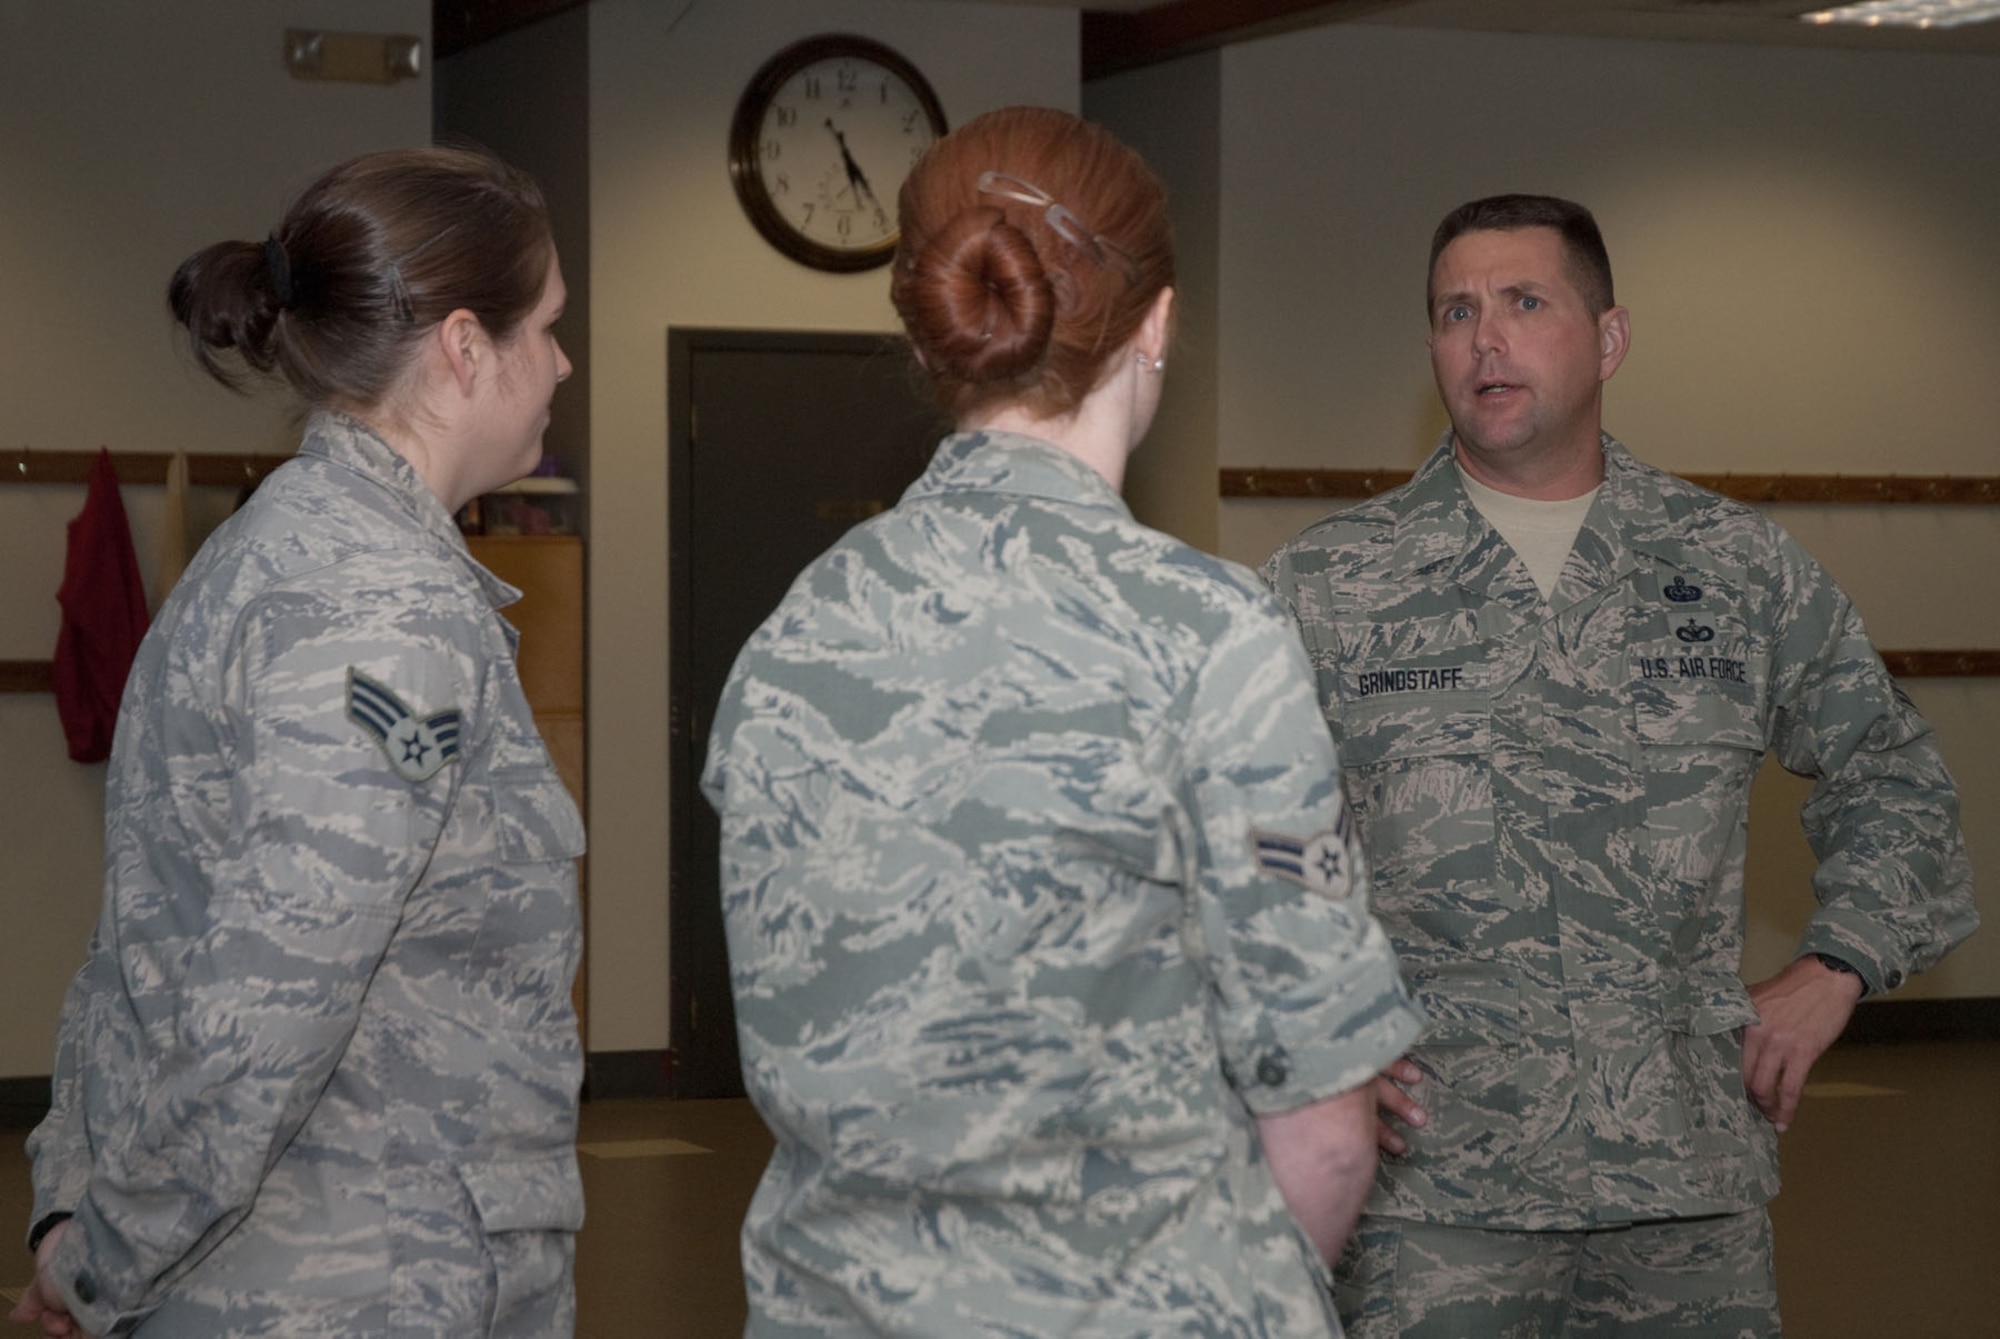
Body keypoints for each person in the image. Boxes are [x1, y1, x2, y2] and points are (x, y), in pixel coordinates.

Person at [701, 106, 1424, 1336]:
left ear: (932, 337)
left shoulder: (794, 634)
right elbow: (1323, 1136)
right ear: (1156, 325)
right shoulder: (1203, 634)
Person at [1263, 193, 1978, 1336]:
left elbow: (1886, 767)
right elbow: (1235, 839)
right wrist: (1301, 1035)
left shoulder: (1733, 567)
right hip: (1438, 1196)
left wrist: (1835, 965)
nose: (1482, 337)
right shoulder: (1330, 586)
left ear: (1607, 341)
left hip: (1683, 1193)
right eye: (1453, 311)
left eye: (1522, 302)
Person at [13, 146, 586, 1338]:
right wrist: (100, 1256)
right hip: (357, 1285)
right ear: (466, 348)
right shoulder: (383, 609)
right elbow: (268, 1000)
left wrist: (78, 1211)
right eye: (547, 328)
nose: (565, 365)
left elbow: (135, 945)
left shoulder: (262, 552)